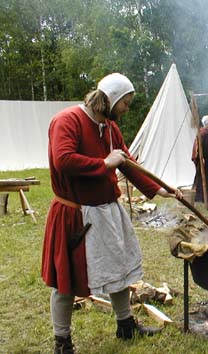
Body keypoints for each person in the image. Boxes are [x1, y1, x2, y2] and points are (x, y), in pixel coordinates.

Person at [41, 73, 182, 354]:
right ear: (111, 99)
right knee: (67, 280)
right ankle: (62, 342)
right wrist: (105, 162)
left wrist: (158, 189)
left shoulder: (109, 127)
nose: (127, 110)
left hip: (107, 212)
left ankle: (125, 325)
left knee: (119, 269)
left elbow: (127, 164)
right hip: (75, 215)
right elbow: (64, 159)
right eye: (126, 104)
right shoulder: (67, 121)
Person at [192, 115, 208, 203]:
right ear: (206, 124)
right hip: (203, 159)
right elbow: (198, 147)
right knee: (202, 178)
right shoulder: (202, 133)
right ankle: (201, 197)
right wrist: (200, 157)